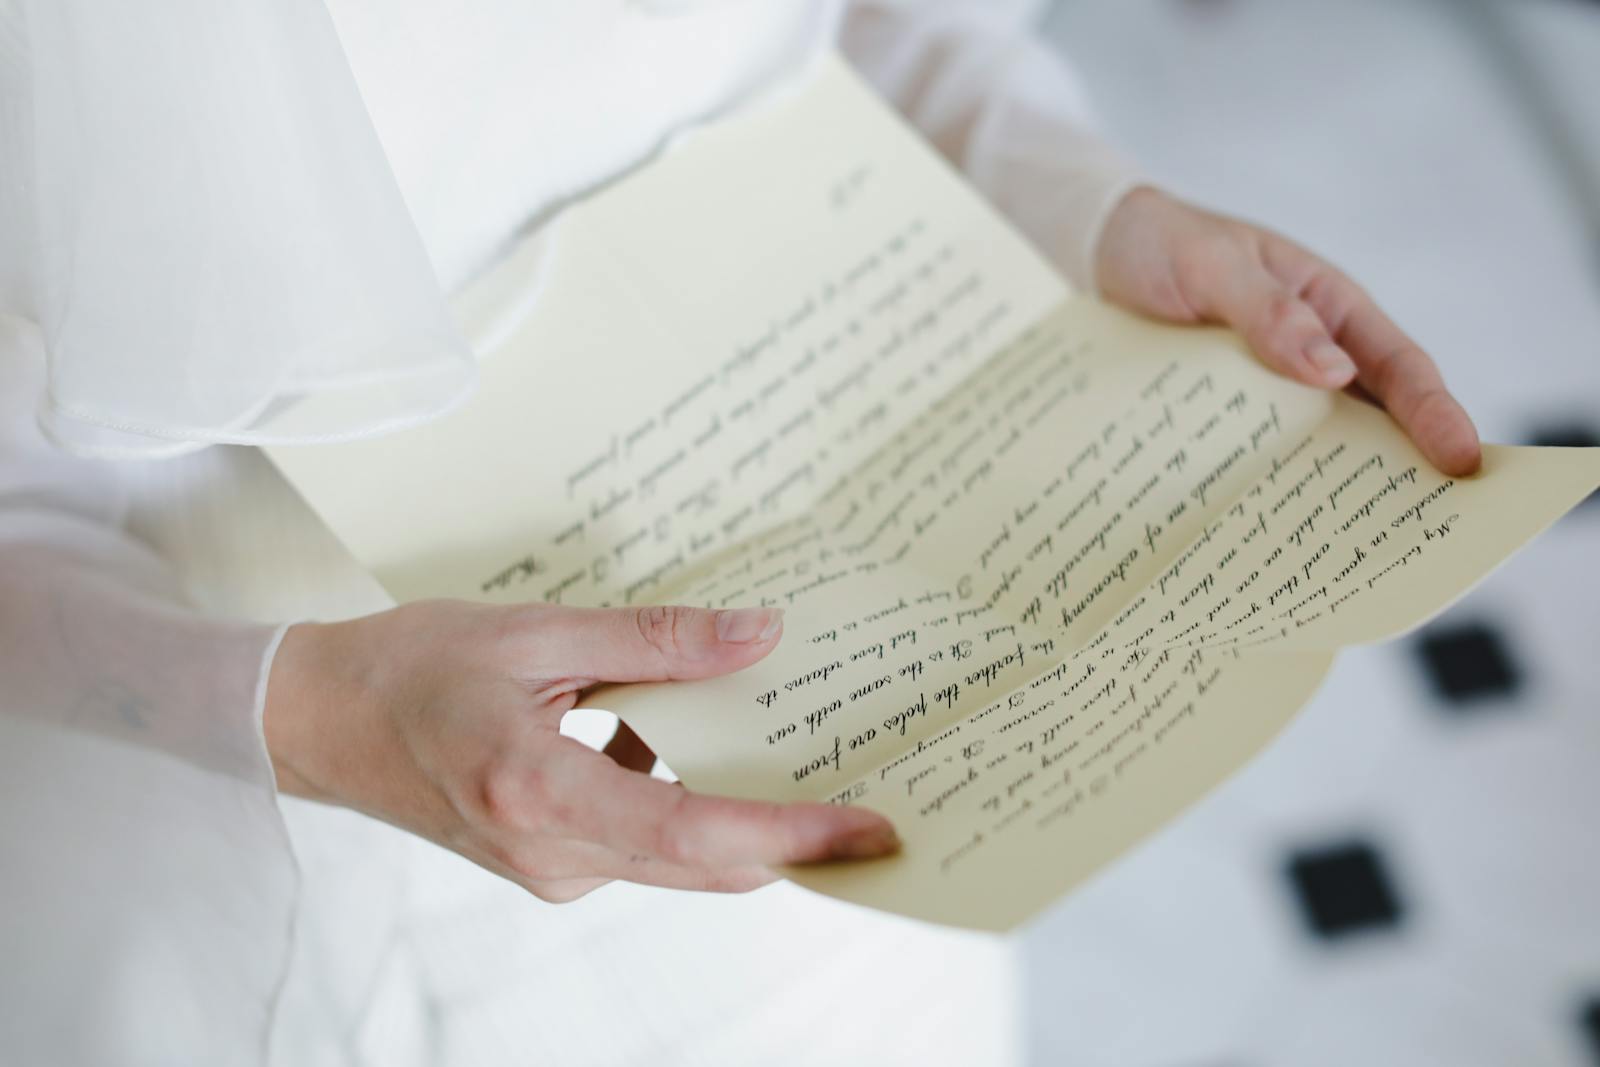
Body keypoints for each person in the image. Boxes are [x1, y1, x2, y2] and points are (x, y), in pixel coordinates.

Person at [0, 1, 1481, 1063]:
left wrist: (1088, 203)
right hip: (283, 785)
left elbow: (857, 29)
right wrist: (306, 711)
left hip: (847, 688)